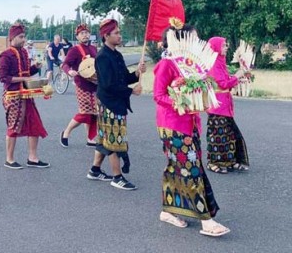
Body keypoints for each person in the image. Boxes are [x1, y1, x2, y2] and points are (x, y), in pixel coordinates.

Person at [153, 24, 230, 237]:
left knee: (177, 166)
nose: (197, 43)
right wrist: (181, 102)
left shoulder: (190, 66)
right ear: (181, 40)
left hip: (190, 122)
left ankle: (168, 210)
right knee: (191, 167)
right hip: (172, 126)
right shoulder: (166, 64)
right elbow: (159, 96)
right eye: (194, 38)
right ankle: (206, 220)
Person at [87, 19, 145, 190]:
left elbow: (124, 77)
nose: (120, 35)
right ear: (106, 36)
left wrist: (137, 73)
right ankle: (117, 176)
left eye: (119, 32)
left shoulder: (117, 54)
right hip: (108, 102)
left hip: (116, 101)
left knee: (105, 137)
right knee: (113, 139)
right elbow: (108, 84)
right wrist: (131, 91)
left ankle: (95, 170)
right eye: (117, 33)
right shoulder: (103, 56)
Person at [0, 23, 49, 170]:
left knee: (34, 124)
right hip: (13, 95)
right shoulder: (5, 55)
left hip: (27, 95)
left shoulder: (24, 53)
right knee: (13, 126)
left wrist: (35, 68)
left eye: (24, 36)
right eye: (21, 37)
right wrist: (23, 79)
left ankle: (32, 158)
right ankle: (9, 159)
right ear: (12, 38)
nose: (24, 39)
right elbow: (3, 78)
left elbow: (26, 74)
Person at [205, 37, 249, 174]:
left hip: (225, 104)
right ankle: (213, 162)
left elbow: (225, 80)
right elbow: (223, 84)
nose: (226, 47)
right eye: (223, 45)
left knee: (229, 135)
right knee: (218, 135)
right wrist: (237, 76)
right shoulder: (213, 64)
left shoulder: (220, 62)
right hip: (217, 106)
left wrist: (237, 78)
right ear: (216, 48)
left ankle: (229, 160)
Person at [60, 24, 98, 147]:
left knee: (94, 113)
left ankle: (90, 138)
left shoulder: (93, 48)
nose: (85, 35)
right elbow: (65, 64)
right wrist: (69, 71)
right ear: (77, 36)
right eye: (82, 33)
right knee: (85, 112)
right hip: (82, 85)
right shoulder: (75, 50)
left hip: (95, 85)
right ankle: (66, 132)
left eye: (87, 32)